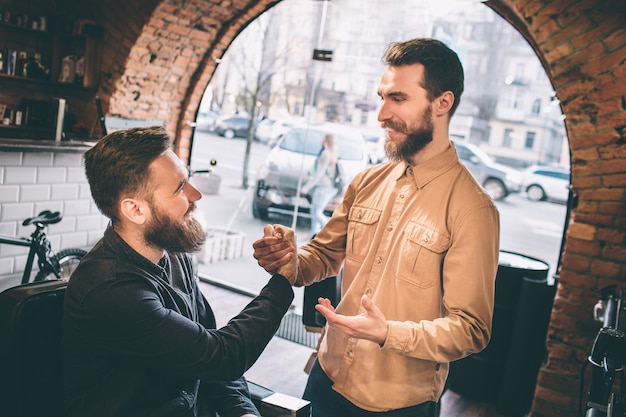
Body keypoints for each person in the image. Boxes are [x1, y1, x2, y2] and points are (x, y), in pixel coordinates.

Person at [252, 38, 500, 417]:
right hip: (326, 375)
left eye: (397, 99)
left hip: (397, 403)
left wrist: (387, 333)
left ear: (442, 103)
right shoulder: (366, 180)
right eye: (382, 97)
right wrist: (288, 258)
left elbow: (471, 329)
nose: (381, 114)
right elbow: (320, 258)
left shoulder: (472, 208)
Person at [62, 126, 297, 417]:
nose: (196, 194)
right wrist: (283, 280)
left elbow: (207, 343)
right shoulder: (111, 290)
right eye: (180, 187)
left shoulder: (173, 253)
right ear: (135, 210)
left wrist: (241, 410)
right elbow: (220, 355)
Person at [300, 133, 340, 237]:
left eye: (323, 138)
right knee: (315, 210)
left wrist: (307, 187)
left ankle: (331, 232)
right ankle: (313, 234)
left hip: (324, 187)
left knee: (317, 212)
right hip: (328, 187)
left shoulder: (325, 153)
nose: (321, 140)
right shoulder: (333, 153)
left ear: (326, 140)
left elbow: (319, 174)